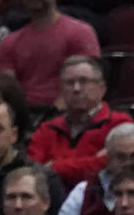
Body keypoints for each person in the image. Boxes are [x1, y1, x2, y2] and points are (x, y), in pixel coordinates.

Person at [0, 0, 101, 109]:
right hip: (24, 118)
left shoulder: (80, 32)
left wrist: (50, 120)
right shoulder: (9, 42)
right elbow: (7, 93)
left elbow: (86, 87)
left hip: (69, 116)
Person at [28, 60, 133, 191]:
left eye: (84, 81)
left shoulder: (119, 123)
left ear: (102, 88)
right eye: (70, 83)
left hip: (103, 201)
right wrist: (91, 161)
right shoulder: (46, 129)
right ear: (60, 90)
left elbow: (109, 164)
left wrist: (54, 167)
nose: (76, 89)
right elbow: (32, 173)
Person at [55, 121, 134, 215]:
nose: (128, 163)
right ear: (107, 158)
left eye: (133, 156)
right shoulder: (83, 191)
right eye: (121, 157)